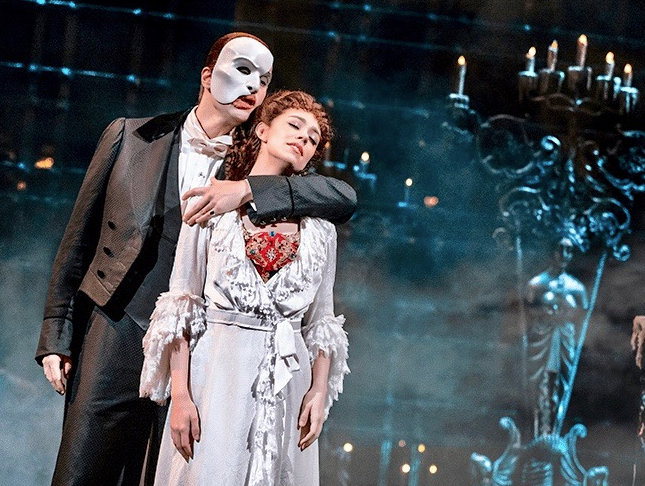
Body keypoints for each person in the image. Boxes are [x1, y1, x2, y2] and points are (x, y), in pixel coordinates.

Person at [35, 33, 356, 486]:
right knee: (83, 471)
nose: (254, 86)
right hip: (117, 328)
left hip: (202, 350)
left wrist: (245, 189)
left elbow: (341, 197)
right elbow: (79, 238)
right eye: (243, 70)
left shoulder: (259, 156)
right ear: (207, 76)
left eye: (264, 80)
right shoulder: (130, 136)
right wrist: (57, 334)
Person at [139, 90, 349, 486]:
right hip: (217, 370)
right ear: (263, 130)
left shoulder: (321, 230)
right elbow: (182, 305)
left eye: (313, 139)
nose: (304, 138)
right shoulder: (212, 207)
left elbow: (322, 320)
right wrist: (180, 395)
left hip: (288, 382)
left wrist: (319, 391)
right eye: (295, 126)